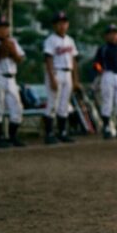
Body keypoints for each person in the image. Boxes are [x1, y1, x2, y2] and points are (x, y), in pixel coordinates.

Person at [43, 11, 80, 144]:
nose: (62, 25)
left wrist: (75, 79)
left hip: (68, 73)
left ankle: (62, 132)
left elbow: (74, 60)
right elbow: (48, 59)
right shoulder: (50, 40)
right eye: (59, 23)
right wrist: (52, 78)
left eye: (64, 22)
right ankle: (49, 133)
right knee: (53, 103)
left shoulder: (70, 40)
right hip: (56, 72)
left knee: (64, 104)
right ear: (54, 25)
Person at [0, 15, 26, 148]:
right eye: (1, 27)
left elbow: (21, 59)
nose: (4, 30)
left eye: (6, 27)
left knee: (17, 108)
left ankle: (13, 137)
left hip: (11, 78)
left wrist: (13, 52)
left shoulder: (13, 42)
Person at [93, 24, 117, 139]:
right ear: (106, 36)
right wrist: (101, 71)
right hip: (107, 74)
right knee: (107, 101)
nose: (114, 36)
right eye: (111, 33)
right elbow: (96, 63)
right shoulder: (103, 49)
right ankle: (106, 127)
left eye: (116, 33)